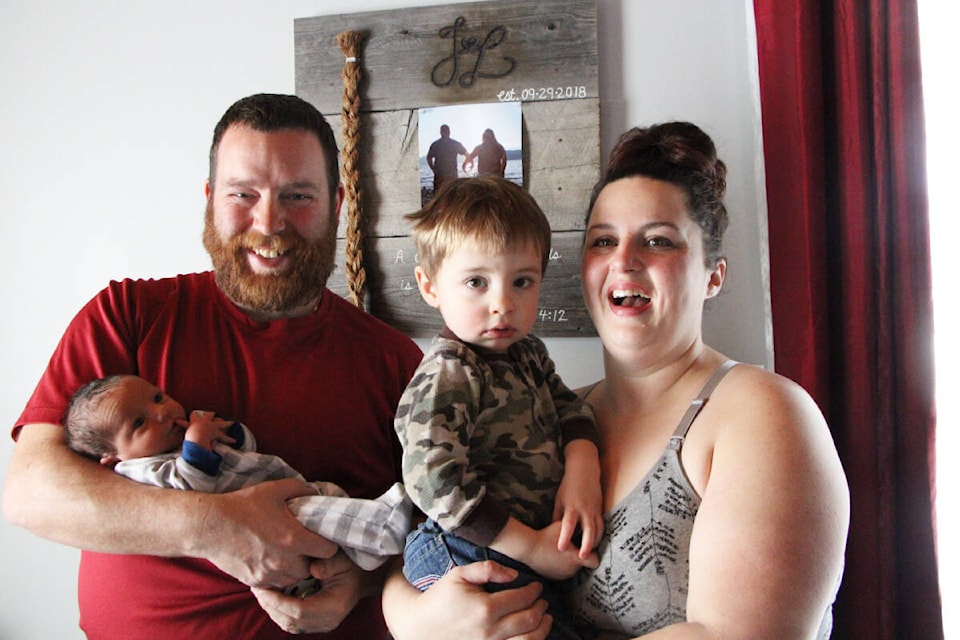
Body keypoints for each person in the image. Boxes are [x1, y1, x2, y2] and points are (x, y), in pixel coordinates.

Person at [381, 122, 850, 640]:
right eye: (603, 241)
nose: (624, 261)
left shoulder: (761, 411)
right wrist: (416, 618)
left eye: (658, 241)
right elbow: (421, 517)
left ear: (713, 275)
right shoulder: (551, 412)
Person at [2, 93, 424, 639]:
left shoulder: (395, 361)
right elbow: (32, 492)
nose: (269, 222)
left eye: (298, 195)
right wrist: (215, 528)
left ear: (337, 204)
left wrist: (364, 585)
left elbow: (432, 528)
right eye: (242, 194)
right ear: (209, 200)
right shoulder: (126, 315)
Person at [395, 176, 603, 640]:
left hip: (515, 552)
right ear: (430, 286)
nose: (503, 304)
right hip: (463, 547)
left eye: (522, 281)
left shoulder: (528, 353)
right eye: (476, 282)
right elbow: (433, 479)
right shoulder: (450, 371)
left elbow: (570, 407)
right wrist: (529, 546)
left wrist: (582, 468)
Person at [64, 373, 413, 581]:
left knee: (331, 497)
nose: (161, 413)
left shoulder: (184, 432)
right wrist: (197, 442)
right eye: (139, 423)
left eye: (157, 397)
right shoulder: (139, 471)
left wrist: (225, 430)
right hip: (271, 516)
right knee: (315, 514)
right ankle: (382, 530)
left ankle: (363, 550)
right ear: (112, 459)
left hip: (283, 486)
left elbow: (245, 444)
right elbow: (191, 488)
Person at [426, 124, 468, 195]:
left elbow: (429, 158)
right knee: (452, 196)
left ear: (441, 132)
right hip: (452, 175)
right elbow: (467, 154)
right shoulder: (455, 144)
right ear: (449, 132)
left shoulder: (435, 144)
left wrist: (433, 169)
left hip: (439, 175)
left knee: (438, 196)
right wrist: (464, 165)